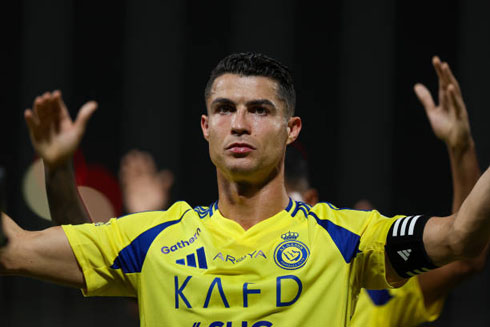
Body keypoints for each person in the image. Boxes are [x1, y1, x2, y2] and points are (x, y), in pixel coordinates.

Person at [2, 53, 490, 326]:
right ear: (205, 126)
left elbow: (462, 241)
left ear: (291, 128)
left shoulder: (349, 239)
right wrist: (58, 165)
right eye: (223, 109)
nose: (239, 124)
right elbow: (17, 250)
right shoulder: (152, 240)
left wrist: (462, 145)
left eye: (259, 110)